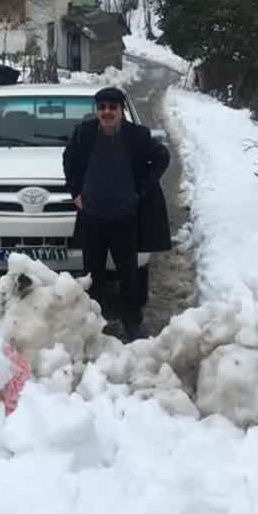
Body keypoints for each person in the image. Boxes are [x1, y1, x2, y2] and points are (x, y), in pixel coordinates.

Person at [62, 87, 171, 341]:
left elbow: (162, 158)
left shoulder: (137, 135)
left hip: (125, 216)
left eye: (113, 108)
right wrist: (75, 192)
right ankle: (94, 323)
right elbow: (68, 159)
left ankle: (132, 322)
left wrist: (141, 190)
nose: (107, 112)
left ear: (121, 110)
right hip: (92, 215)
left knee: (129, 275)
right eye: (102, 108)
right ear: (97, 111)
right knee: (93, 275)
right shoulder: (84, 133)